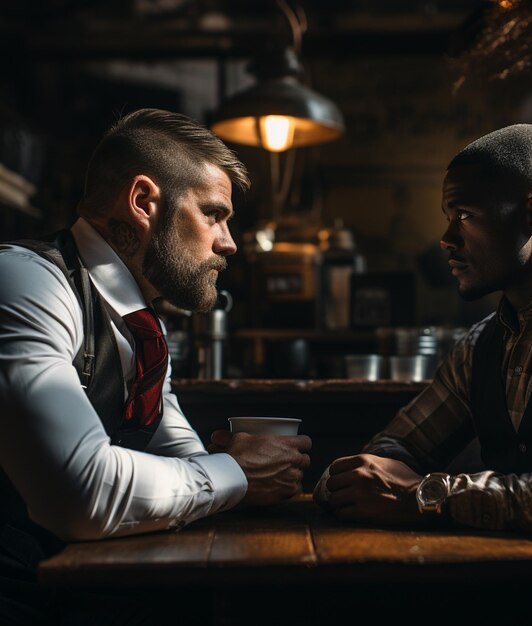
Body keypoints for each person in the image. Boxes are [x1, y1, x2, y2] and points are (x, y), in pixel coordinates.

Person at [0, 108, 312, 623]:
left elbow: (185, 460)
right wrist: (236, 472)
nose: (228, 243)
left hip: (67, 586)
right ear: (145, 202)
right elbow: (84, 492)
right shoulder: (27, 284)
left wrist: (242, 476)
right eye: (214, 214)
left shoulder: (144, 330)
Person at [314, 123, 532, 535]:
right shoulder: (482, 345)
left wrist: (429, 498)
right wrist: (352, 481)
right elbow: (396, 450)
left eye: (464, 215)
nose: (445, 239)